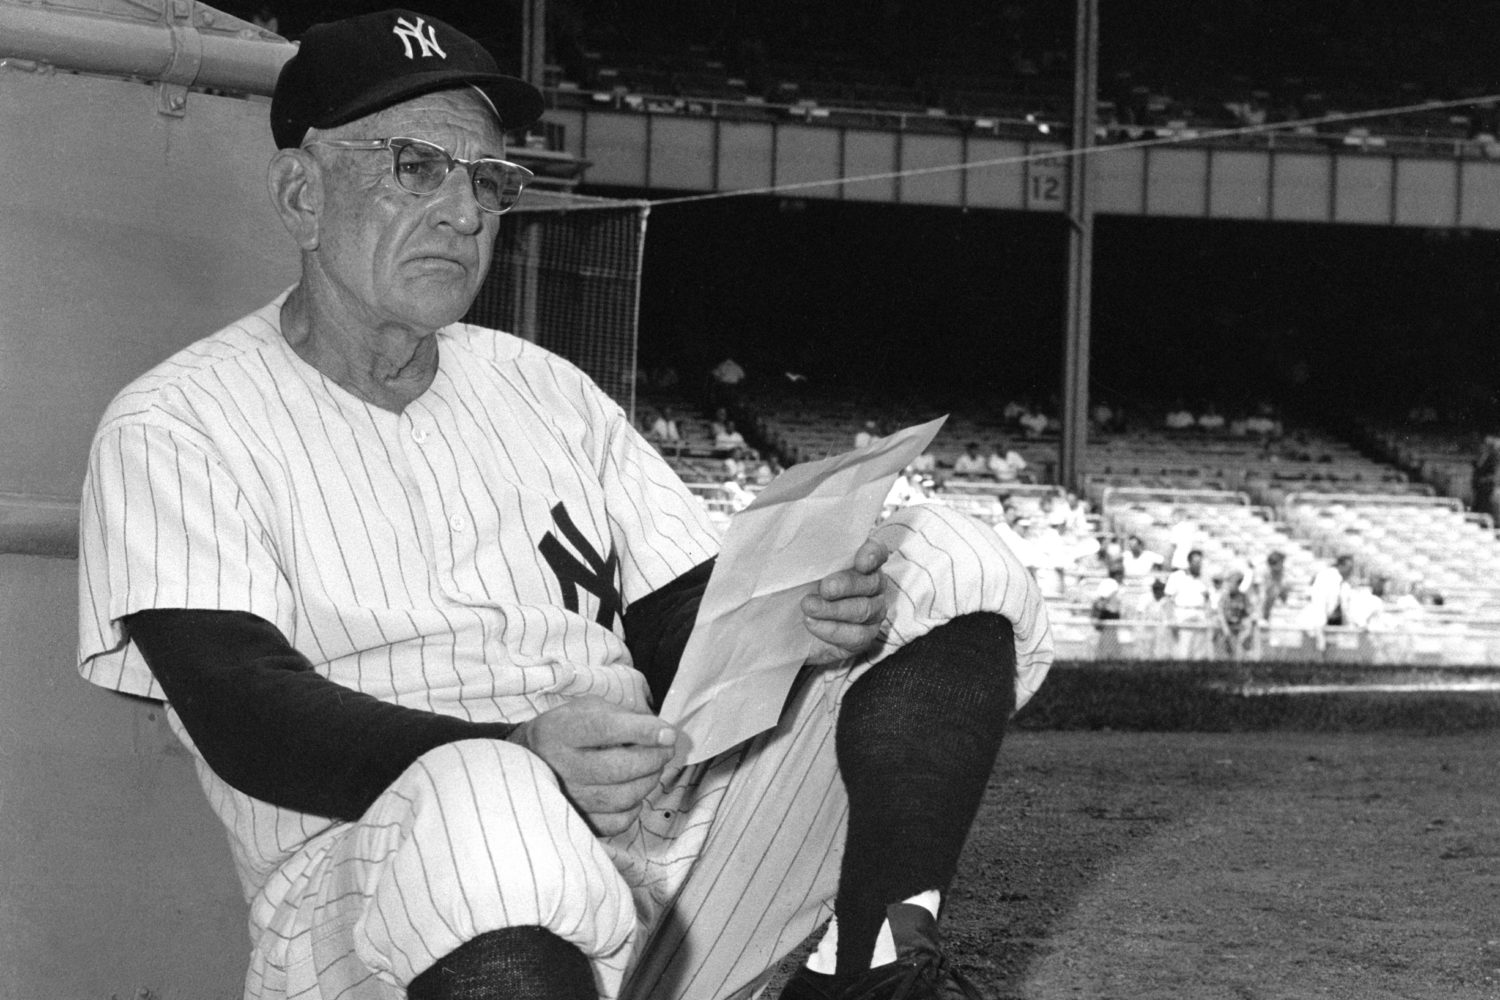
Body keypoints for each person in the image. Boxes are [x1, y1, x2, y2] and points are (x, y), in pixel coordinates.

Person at [72, 12, 1054, 1000]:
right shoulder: (178, 423)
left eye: (488, 180)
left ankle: (874, 974)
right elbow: (244, 710)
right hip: (380, 899)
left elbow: (683, 623)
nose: (466, 211)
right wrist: (514, 753)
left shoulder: (544, 389)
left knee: (939, 557)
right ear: (302, 193)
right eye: (418, 165)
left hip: (650, 846)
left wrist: (802, 622)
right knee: (484, 804)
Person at [1163, 549, 1214, 659]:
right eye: (1196, 562)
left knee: (1199, 655)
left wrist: (1208, 617)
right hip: (1183, 616)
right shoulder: (1177, 576)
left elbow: (1208, 599)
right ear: (1189, 562)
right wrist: (1171, 618)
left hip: (1200, 616)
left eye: (1200, 562)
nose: (1198, 565)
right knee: (1183, 653)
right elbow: (1168, 599)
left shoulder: (1205, 578)